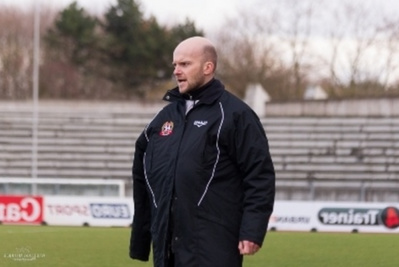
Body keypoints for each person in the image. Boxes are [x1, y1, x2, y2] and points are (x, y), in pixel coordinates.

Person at [129, 36, 275, 267]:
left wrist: (252, 229)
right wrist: (142, 235)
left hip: (214, 244)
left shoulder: (236, 115)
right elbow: (143, 173)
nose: (177, 71)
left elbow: (259, 175)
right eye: (174, 65)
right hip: (167, 247)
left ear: (208, 67)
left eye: (185, 64)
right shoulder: (164, 118)